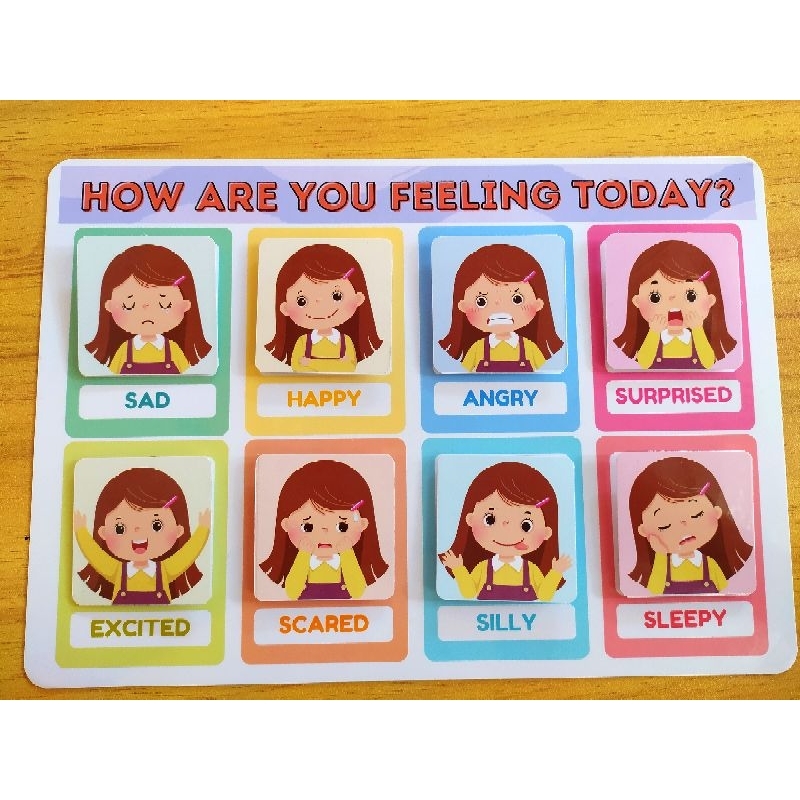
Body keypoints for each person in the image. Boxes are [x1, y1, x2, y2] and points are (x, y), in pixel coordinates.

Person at [74, 467, 210, 604]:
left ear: (178, 530)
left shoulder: (165, 571)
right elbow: (95, 556)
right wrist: (80, 531)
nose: (138, 531)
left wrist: (203, 529)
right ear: (103, 533)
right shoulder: (117, 571)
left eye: (157, 525)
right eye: (120, 528)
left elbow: (187, 555)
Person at [438, 462, 572, 601]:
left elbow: (545, 596)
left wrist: (556, 572)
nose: (507, 530)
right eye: (490, 519)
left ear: (546, 532)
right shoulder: (483, 568)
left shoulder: (531, 570)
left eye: (526, 525)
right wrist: (458, 569)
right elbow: (469, 593)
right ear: (470, 519)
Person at [259, 460, 388, 600]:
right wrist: (303, 555)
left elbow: (357, 592)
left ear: (363, 524)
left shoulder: (348, 560)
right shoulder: (302, 560)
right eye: (308, 527)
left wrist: (347, 554)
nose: (325, 532)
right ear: (285, 524)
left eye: (342, 527)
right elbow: (292, 593)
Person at [627, 456, 752, 595]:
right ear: (644, 531)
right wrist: (660, 553)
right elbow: (654, 592)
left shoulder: (710, 565)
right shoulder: (661, 567)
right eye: (665, 525)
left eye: (696, 514)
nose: (683, 526)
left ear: (717, 511)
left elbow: (726, 591)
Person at [85, 244, 212, 374]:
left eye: (165, 304)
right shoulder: (124, 350)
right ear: (110, 306)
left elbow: (185, 374)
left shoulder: (173, 349)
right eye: (129, 305)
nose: (147, 311)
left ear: (185, 305)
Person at [438, 243, 563, 373]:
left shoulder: (529, 348)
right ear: (463, 306)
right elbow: (463, 372)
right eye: (481, 301)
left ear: (538, 304)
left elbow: (543, 370)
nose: (500, 308)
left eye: (517, 299)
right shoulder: (477, 348)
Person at [613, 239, 737, 369]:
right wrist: (654, 332)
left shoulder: (698, 336)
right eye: (655, 297)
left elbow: (708, 362)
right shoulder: (653, 336)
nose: (673, 303)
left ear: (710, 300)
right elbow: (643, 363)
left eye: (691, 295)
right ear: (637, 301)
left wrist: (698, 329)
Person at [264, 243, 382, 373]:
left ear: (358, 298)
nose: (319, 304)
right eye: (302, 301)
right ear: (285, 308)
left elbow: (350, 367)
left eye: (336, 296)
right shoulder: (303, 341)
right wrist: (336, 364)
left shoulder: (346, 341)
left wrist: (311, 364)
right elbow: (297, 367)